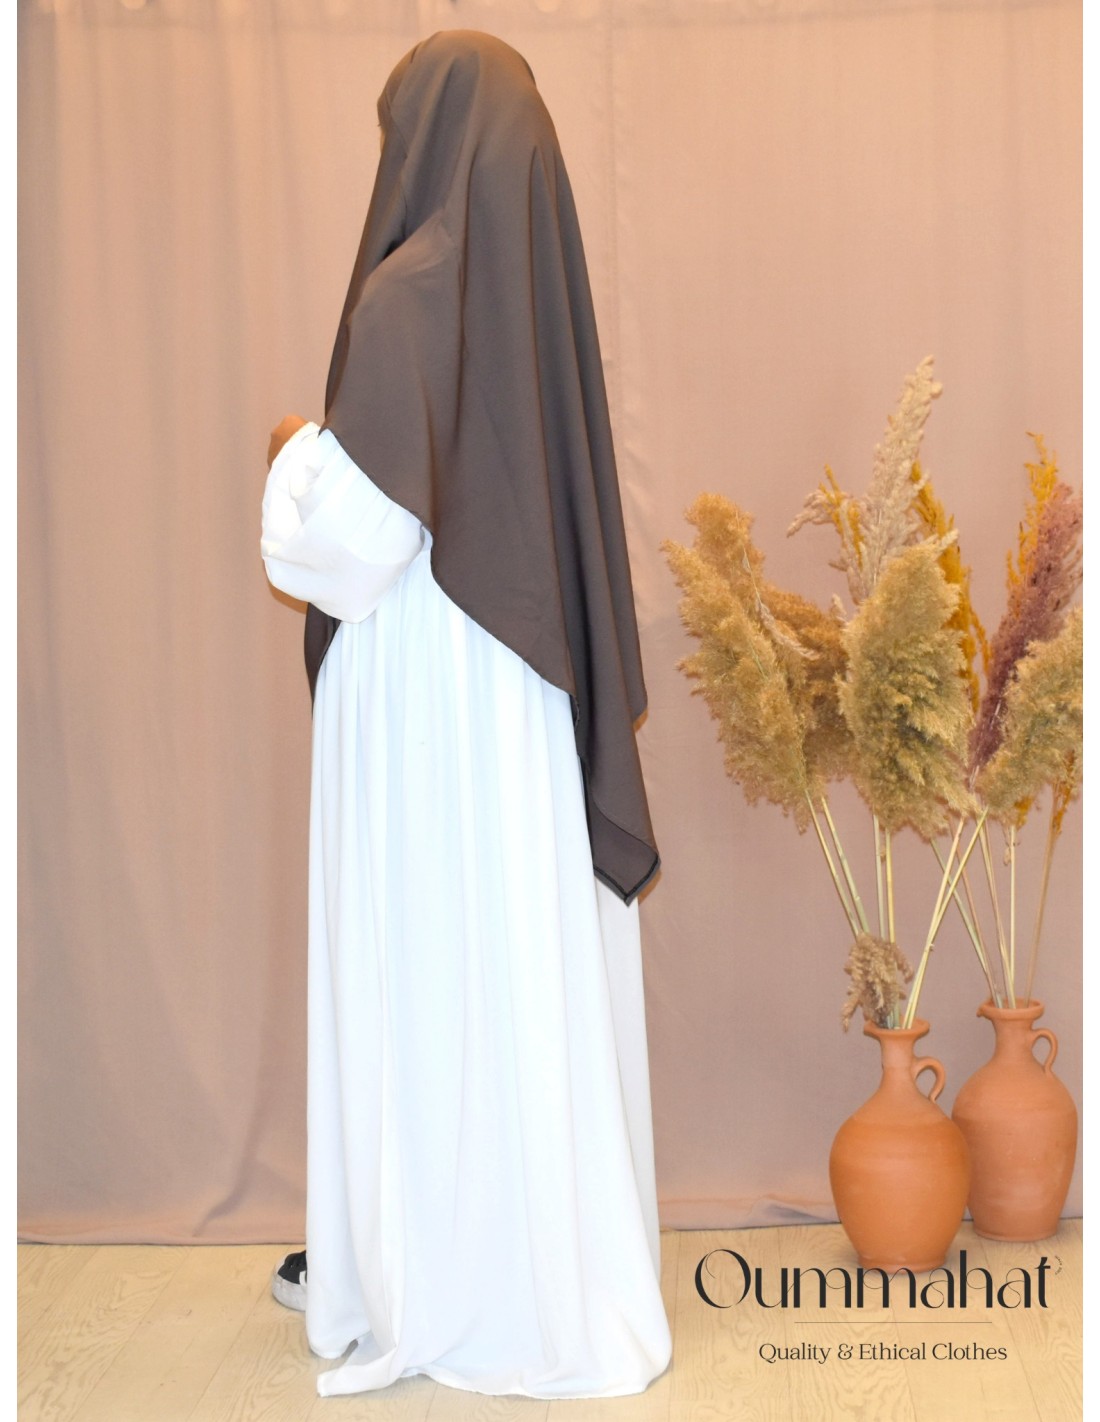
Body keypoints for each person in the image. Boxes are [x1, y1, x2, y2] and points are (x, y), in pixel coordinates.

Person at [260, 30, 670, 1400]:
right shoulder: (535, 314)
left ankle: (434, 1275)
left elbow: (350, 547)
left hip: (426, 718)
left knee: (431, 969)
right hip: (516, 715)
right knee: (508, 968)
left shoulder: (411, 296)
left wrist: (291, 460)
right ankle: (527, 1270)